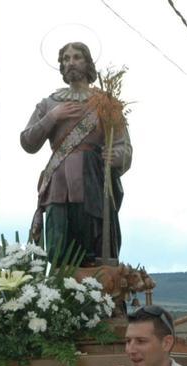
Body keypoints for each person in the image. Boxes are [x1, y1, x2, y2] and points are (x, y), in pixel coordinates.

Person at [21, 41, 132, 260]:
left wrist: (116, 156)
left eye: (76, 57)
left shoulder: (106, 103)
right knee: (58, 246)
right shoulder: (49, 104)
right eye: (65, 59)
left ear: (88, 62)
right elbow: (28, 141)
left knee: (93, 246)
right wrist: (52, 118)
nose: (70, 62)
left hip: (93, 182)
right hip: (58, 183)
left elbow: (124, 145)